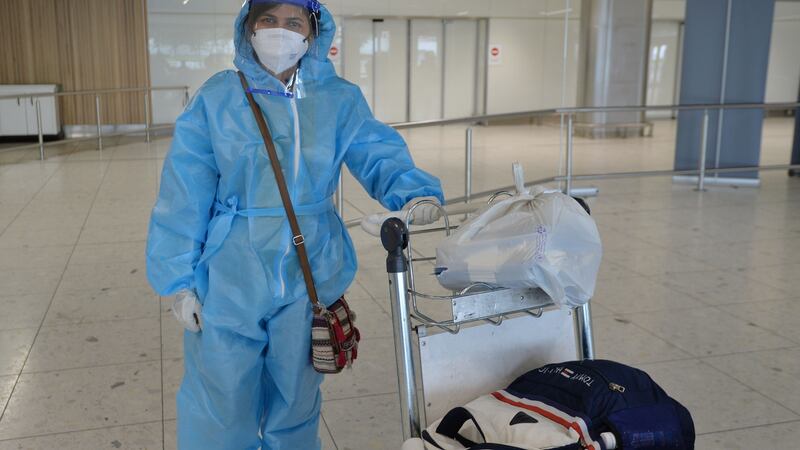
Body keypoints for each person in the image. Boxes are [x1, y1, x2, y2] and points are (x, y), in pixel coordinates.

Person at [145, 1, 444, 448]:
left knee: (297, 400)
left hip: (310, 272)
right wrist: (178, 280)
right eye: (267, 20)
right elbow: (184, 191)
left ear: (312, 33)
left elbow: (375, 151)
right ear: (247, 28)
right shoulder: (218, 97)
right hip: (231, 273)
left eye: (292, 23)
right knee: (221, 402)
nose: (279, 32)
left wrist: (413, 192)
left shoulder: (338, 99)